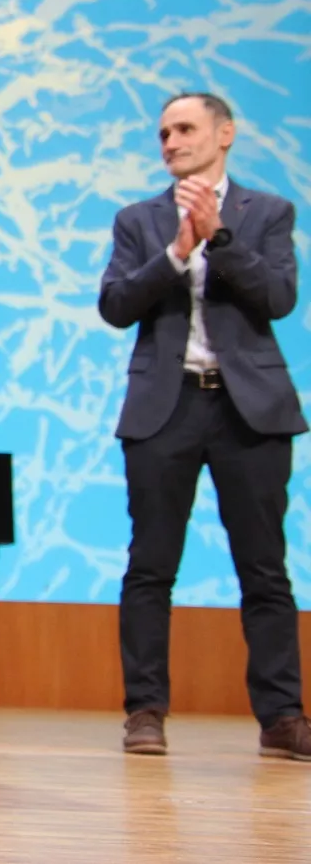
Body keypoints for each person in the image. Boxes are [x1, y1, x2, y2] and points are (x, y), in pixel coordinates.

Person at [99, 91, 309, 762]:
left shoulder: (267, 213)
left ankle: (281, 716)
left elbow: (277, 297)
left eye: (184, 129)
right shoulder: (138, 220)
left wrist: (219, 236)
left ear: (225, 134)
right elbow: (116, 304)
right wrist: (175, 253)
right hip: (166, 405)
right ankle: (145, 711)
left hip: (249, 407)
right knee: (150, 565)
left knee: (264, 569)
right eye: (163, 133)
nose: (171, 142)